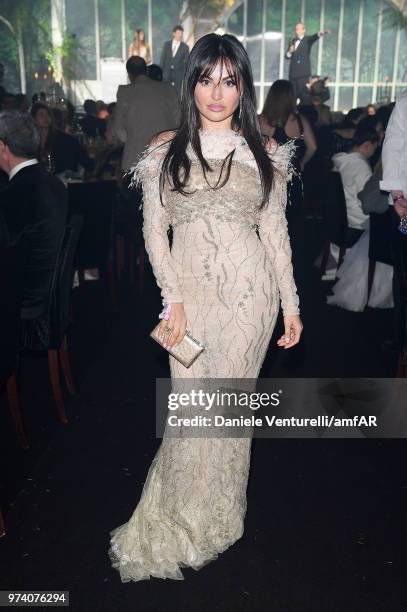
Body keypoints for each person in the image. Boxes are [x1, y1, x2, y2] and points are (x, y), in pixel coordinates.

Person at [108, 32, 302, 583]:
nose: (217, 93)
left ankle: (220, 515)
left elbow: (276, 234)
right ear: (190, 83)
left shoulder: (265, 152)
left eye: (230, 80)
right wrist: (174, 301)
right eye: (206, 79)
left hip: (251, 301)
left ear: (243, 87)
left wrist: (291, 304)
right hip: (189, 300)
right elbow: (154, 233)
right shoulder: (164, 148)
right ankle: (179, 514)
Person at [0, 111, 67, 320]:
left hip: (25, 301)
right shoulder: (52, 182)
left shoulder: (15, 194)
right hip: (48, 291)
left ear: (2, 147)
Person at [259, 79, 317, 279]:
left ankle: (271, 270)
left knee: (272, 227)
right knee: (294, 229)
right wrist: (302, 162)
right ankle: (292, 272)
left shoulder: (264, 120)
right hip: (296, 184)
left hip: (273, 183)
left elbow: (256, 149)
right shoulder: (300, 121)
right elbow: (313, 147)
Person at [112, 56, 179, 172]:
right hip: (166, 158)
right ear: (146, 70)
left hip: (135, 159)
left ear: (129, 74)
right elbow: (179, 121)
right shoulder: (168, 89)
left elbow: (118, 129)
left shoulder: (125, 92)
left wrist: (133, 140)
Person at [31, 102, 94, 176]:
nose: (46, 117)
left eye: (48, 114)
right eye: (41, 115)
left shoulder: (65, 140)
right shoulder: (30, 140)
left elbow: (86, 163)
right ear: (33, 119)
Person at [285, 22, 330, 100]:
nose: (297, 31)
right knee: (292, 98)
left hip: (303, 74)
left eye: (299, 29)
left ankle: (304, 111)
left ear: (303, 30)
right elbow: (287, 56)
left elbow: (315, 37)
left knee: (304, 96)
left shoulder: (307, 39)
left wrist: (322, 32)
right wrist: (289, 52)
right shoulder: (292, 41)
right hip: (293, 74)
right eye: (296, 29)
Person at [159, 25, 190, 97]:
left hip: (179, 75)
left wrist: (184, 75)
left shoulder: (185, 47)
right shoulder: (167, 44)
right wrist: (160, 73)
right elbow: (162, 59)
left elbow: (187, 63)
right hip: (166, 74)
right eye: (179, 33)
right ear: (174, 33)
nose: (180, 35)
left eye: (181, 33)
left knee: (177, 95)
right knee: (165, 94)